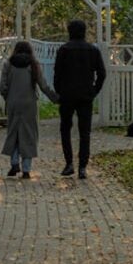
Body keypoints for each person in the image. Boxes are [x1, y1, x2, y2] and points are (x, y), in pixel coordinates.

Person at [53, 19, 106, 180]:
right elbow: (102, 74)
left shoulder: (64, 50)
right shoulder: (93, 50)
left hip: (67, 95)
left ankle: (69, 163)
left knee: (65, 129)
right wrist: (94, 91)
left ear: (70, 31)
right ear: (84, 32)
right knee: (85, 132)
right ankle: (83, 167)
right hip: (85, 96)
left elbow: (57, 74)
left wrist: (59, 91)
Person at [0, 40, 58, 179]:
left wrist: (8, 98)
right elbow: (43, 85)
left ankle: (14, 163)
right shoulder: (33, 64)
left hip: (13, 103)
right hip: (29, 104)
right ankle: (26, 169)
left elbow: (2, 87)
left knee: (14, 133)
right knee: (29, 135)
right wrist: (55, 98)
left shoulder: (8, 64)